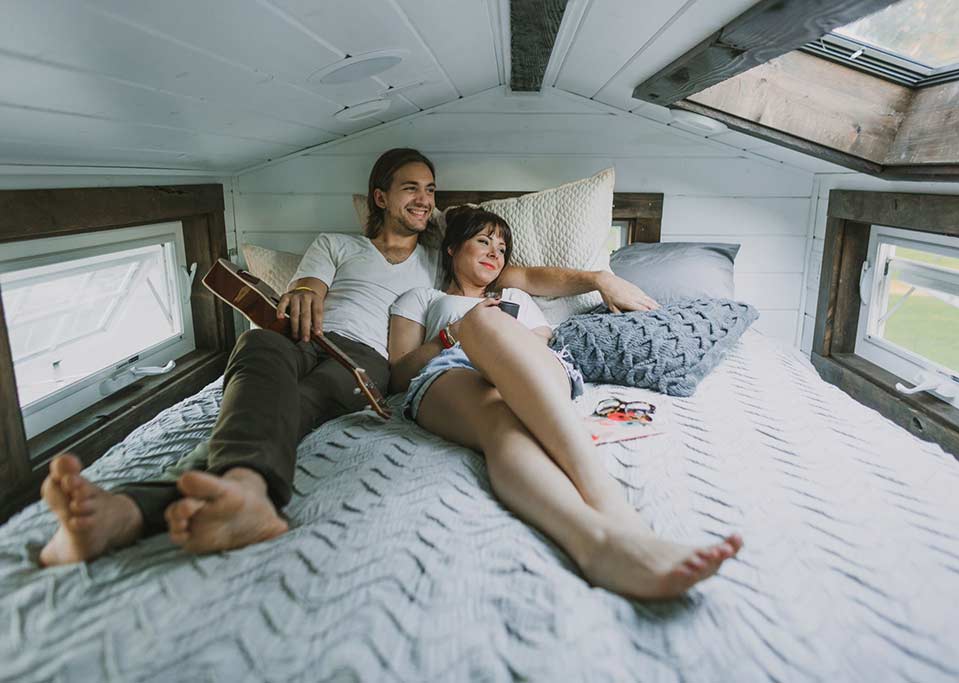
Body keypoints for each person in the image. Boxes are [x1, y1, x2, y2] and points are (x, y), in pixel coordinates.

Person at [37, 148, 659, 566]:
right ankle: (224, 497)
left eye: (431, 190)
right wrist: (303, 293)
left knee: (281, 410)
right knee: (255, 352)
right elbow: (308, 288)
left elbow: (522, 274)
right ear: (379, 197)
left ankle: (146, 508)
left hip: (363, 365)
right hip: (298, 338)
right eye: (411, 188)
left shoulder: (439, 260)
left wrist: (600, 278)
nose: (424, 198)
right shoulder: (334, 243)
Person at [388, 206, 741, 599]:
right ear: (452, 249)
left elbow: (542, 341)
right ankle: (597, 542)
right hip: (451, 372)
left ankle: (617, 525)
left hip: (523, 365)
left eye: (502, 247)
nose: (495, 252)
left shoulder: (514, 295)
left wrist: (498, 344)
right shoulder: (421, 296)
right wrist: (454, 333)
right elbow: (400, 374)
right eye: (483, 241)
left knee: (489, 327)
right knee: (499, 421)